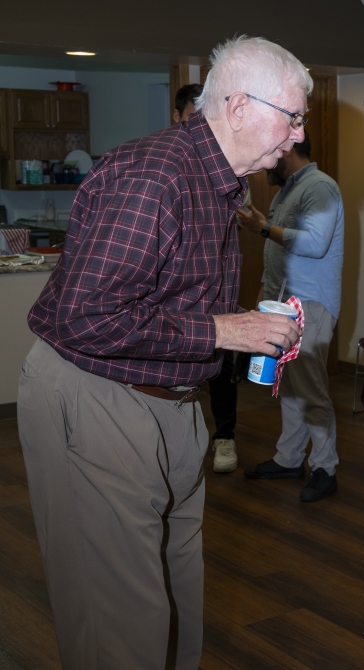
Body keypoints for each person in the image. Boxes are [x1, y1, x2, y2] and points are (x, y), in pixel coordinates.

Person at [17, 35, 308, 670]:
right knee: (119, 621)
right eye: (291, 116)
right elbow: (88, 317)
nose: (297, 135)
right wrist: (225, 332)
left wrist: (238, 330)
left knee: (176, 601)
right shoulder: (155, 175)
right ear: (235, 105)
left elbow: (170, 298)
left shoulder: (222, 184)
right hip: (97, 397)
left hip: (171, 400)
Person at [239, 129, 344, 503]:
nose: (267, 160)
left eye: (273, 151)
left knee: (311, 390)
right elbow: (280, 251)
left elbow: (315, 244)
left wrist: (263, 227)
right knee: (290, 385)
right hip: (284, 302)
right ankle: (288, 459)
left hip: (311, 305)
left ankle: (325, 468)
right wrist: (264, 297)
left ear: (290, 149)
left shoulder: (320, 187)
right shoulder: (288, 190)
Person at [174, 82, 244, 473]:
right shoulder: (164, 173)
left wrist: (231, 321)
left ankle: (224, 436)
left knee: (223, 374)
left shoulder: (227, 184)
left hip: (216, 307)